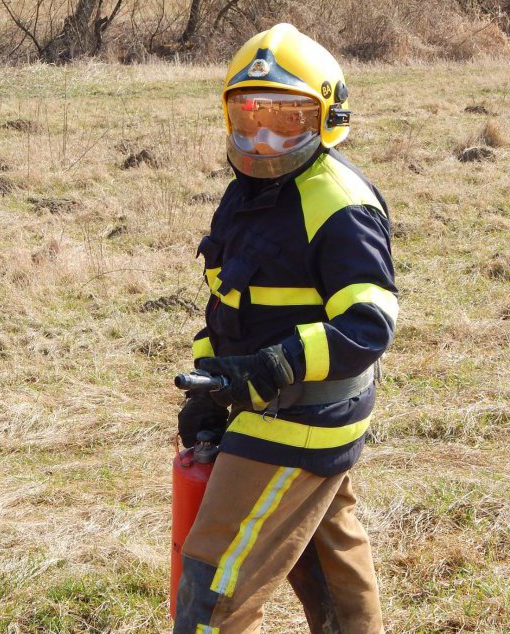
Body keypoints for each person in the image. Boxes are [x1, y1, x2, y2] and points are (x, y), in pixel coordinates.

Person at [174, 23, 398, 634]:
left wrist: (273, 367)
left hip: (302, 414)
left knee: (214, 584)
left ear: (327, 118)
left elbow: (369, 323)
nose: (263, 140)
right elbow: (228, 302)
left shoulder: (340, 204)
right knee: (326, 558)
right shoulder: (245, 194)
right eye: (248, 119)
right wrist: (210, 385)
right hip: (265, 402)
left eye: (286, 121)